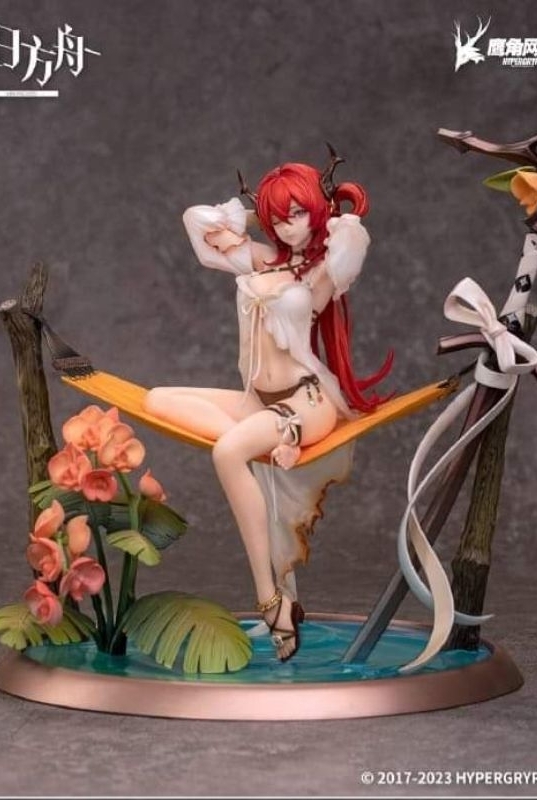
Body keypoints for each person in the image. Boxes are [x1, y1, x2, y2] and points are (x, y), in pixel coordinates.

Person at [144, 154, 392, 662]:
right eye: (278, 217)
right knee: (155, 400)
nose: (286, 226)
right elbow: (196, 223)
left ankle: (270, 599)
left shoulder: (322, 273)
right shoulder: (262, 261)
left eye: (296, 214)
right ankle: (265, 439)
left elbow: (352, 244)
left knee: (228, 453)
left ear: (315, 213)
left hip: (307, 400)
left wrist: (329, 215)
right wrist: (250, 215)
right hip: (258, 402)